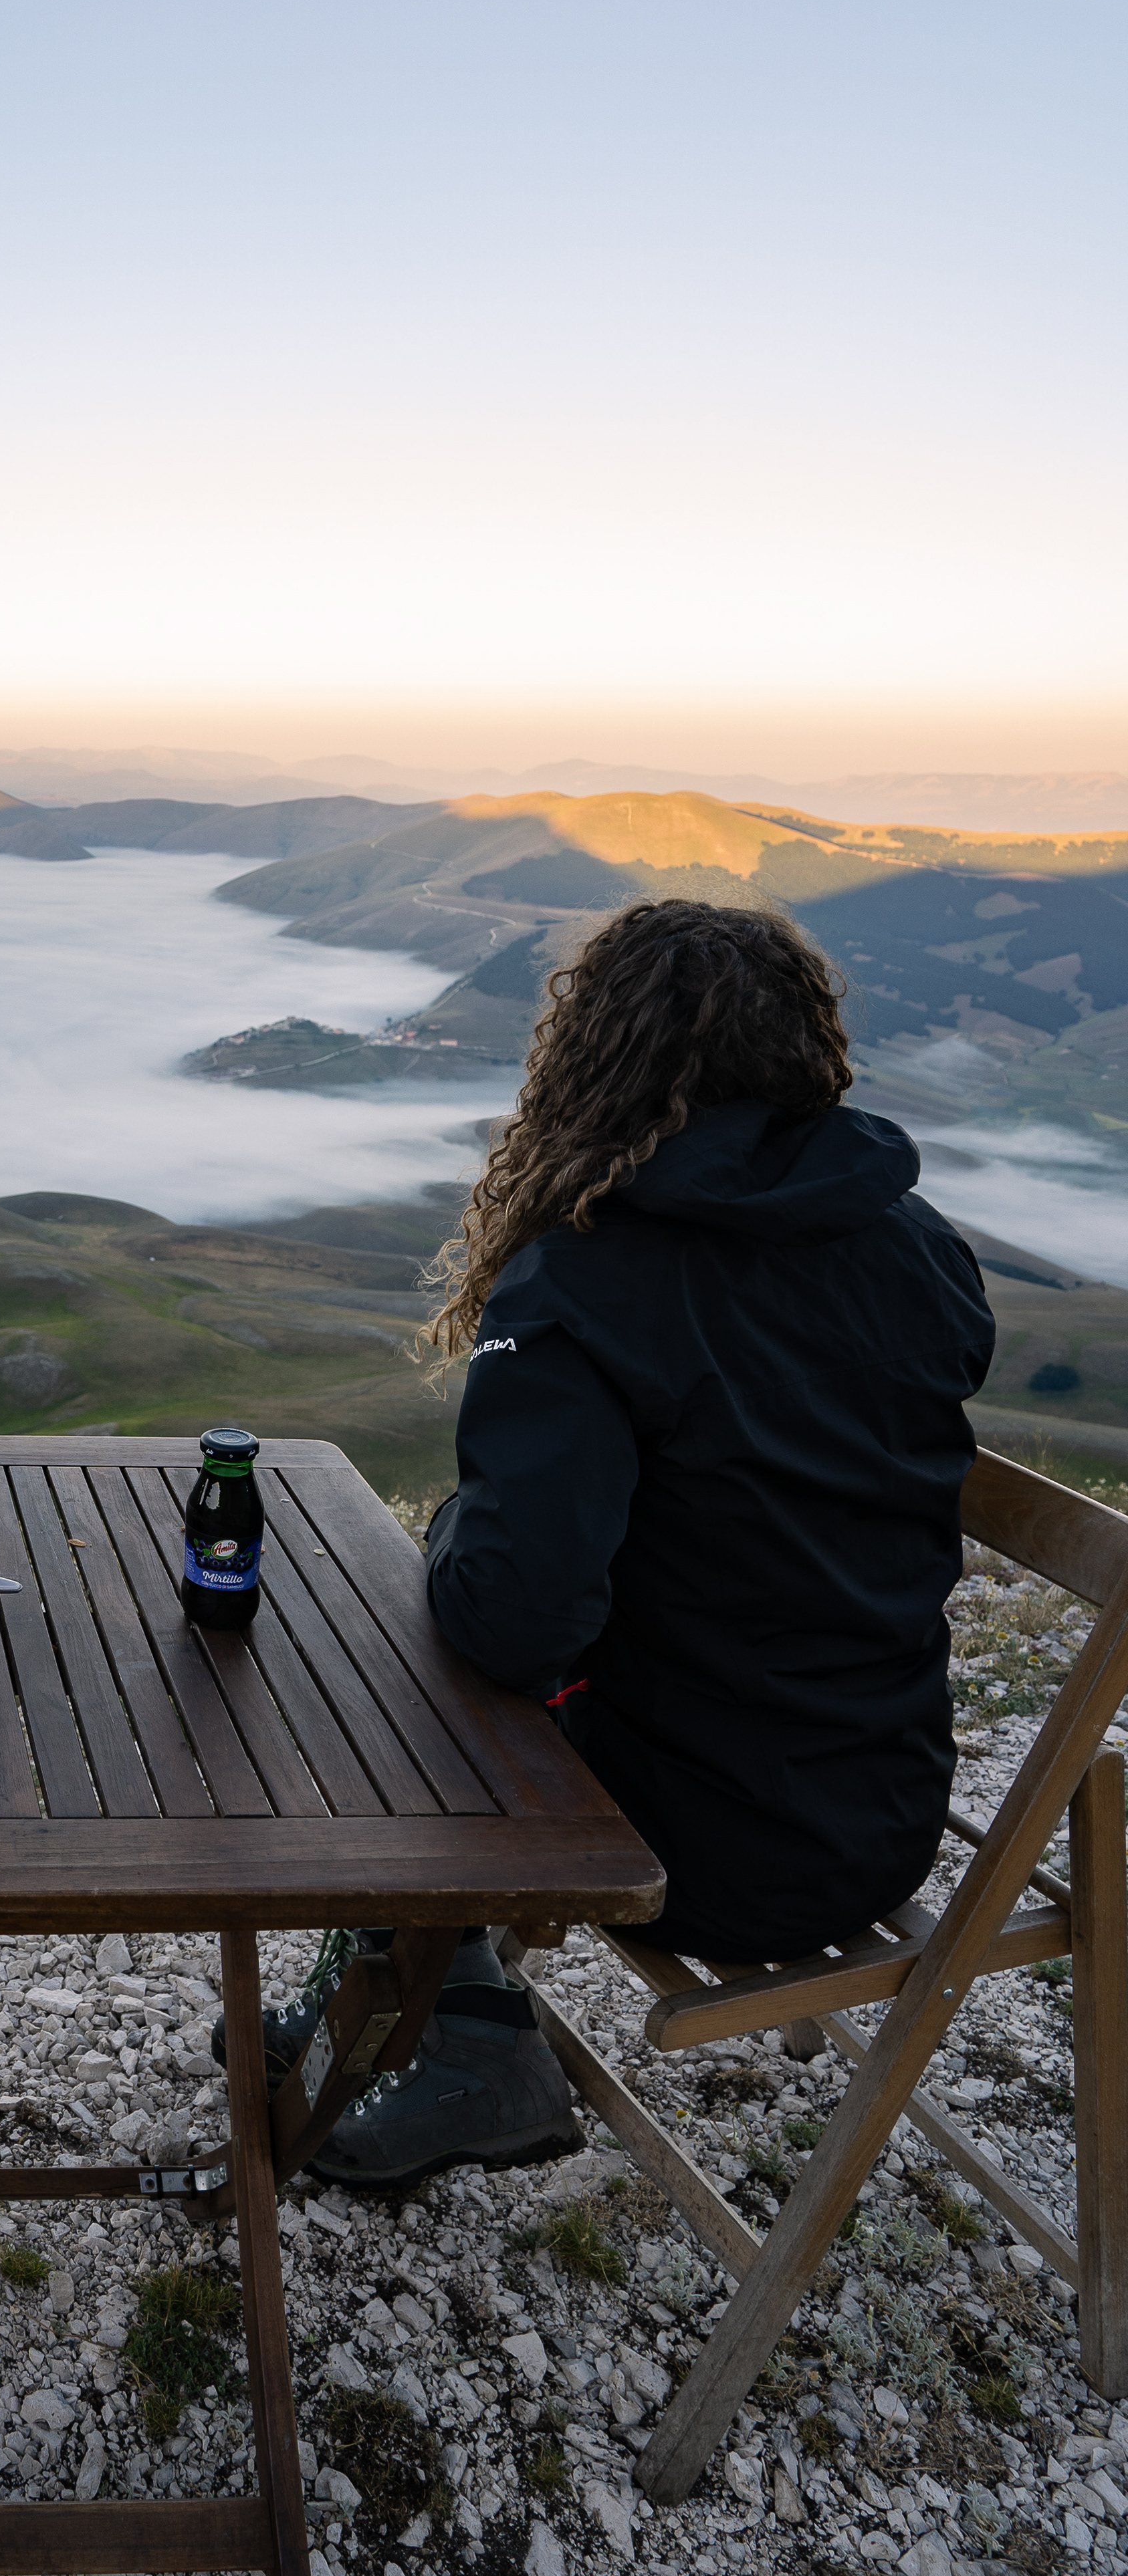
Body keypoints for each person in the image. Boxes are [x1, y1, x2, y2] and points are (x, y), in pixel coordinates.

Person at [223, 896, 994, 2187]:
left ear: (595, 1059)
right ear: (807, 1047)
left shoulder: (587, 1276)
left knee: (392, 1659)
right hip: (879, 1803)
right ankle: (403, 1995)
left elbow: (515, 1617)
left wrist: (461, 1526)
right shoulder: (917, 1247)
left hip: (694, 1849)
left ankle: (472, 2036)